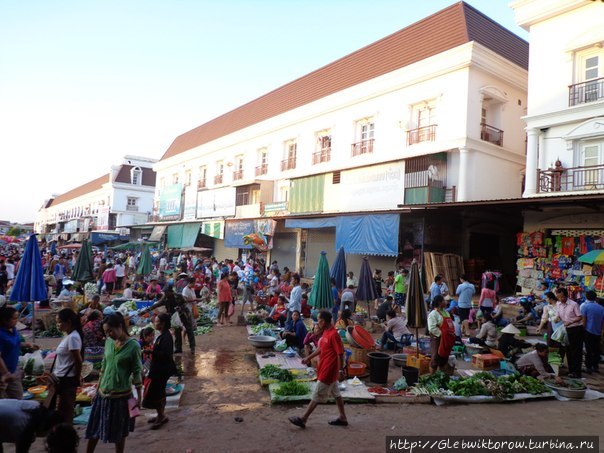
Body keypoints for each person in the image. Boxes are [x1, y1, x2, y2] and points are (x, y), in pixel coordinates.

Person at [85, 313, 143, 453]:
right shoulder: (109, 342)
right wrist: (97, 388)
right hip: (102, 393)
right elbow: (104, 365)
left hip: (121, 396)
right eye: (105, 332)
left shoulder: (133, 346)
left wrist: (139, 397)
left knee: (119, 432)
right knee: (94, 428)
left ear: (120, 326)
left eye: (110, 330)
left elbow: (136, 372)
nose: (108, 334)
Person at [289, 310, 348, 429]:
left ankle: (303, 419)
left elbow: (340, 354)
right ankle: (343, 417)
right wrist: (308, 357)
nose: (318, 323)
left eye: (320, 320)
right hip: (324, 367)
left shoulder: (334, 335)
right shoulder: (326, 332)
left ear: (324, 321)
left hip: (329, 370)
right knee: (337, 394)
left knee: (317, 394)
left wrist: (340, 371)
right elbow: (320, 349)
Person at [49, 308, 84, 424]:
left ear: (68, 322)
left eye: (59, 322)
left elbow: (78, 360)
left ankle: (66, 435)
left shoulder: (73, 337)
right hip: (61, 377)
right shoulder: (69, 336)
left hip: (67, 378)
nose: (57, 325)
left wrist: (77, 377)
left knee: (66, 411)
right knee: (62, 409)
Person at [142, 313, 177, 430]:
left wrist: (151, 353)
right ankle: (160, 415)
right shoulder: (162, 335)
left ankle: (161, 416)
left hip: (162, 370)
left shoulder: (166, 337)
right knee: (159, 392)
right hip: (159, 368)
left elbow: (166, 355)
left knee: (158, 393)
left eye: (157, 322)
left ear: (162, 324)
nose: (155, 323)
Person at [0, 306, 38, 399]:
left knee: (18, 398)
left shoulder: (13, 329)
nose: (17, 320)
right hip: (2, 375)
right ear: (5, 320)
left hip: (13, 371)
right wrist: (5, 373)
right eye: (14, 318)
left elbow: (15, 343)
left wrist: (28, 345)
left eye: (17, 317)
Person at [554, 287, 584, 378]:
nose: (560, 299)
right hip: (566, 329)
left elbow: (580, 317)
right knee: (568, 350)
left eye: (562, 297)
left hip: (576, 329)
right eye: (558, 297)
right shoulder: (559, 304)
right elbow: (558, 315)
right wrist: (556, 318)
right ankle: (571, 370)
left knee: (576, 351)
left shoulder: (574, 304)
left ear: (566, 296)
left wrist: (570, 322)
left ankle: (577, 372)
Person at [427, 295, 455, 374]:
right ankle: (432, 377)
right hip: (438, 338)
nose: (446, 302)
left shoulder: (446, 312)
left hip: (447, 338)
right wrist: (441, 334)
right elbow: (432, 328)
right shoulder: (433, 314)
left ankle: (442, 376)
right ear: (440, 302)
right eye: (444, 300)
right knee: (436, 357)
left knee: (444, 357)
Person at [580, 290, 604, 374]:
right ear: (595, 297)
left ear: (586, 297)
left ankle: (588, 367)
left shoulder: (585, 306)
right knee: (596, 349)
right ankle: (595, 366)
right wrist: (601, 332)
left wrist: (582, 330)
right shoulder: (601, 308)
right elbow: (603, 322)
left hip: (588, 331)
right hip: (598, 332)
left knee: (589, 350)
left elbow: (584, 320)